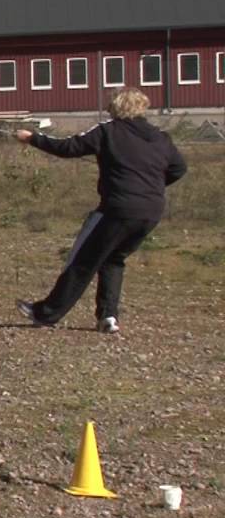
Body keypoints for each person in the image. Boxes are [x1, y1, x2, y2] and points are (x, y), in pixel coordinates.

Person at [15, 87, 187, 334]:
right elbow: (179, 168)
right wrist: (152, 187)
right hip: (151, 211)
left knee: (83, 260)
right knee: (114, 259)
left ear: (117, 107)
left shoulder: (108, 131)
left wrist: (32, 138)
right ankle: (108, 316)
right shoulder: (160, 137)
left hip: (117, 209)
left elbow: (68, 147)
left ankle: (45, 313)